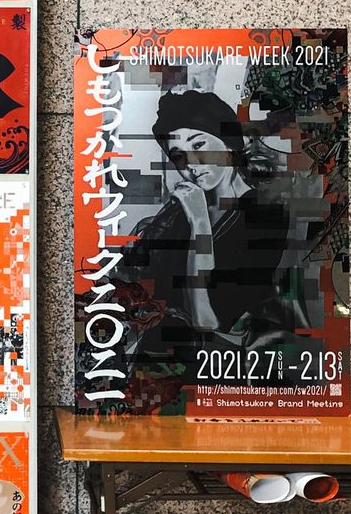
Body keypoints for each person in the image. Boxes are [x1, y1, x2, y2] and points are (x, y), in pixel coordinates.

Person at [121, 89, 292, 366]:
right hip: (155, 363)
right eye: (178, 155)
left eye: (199, 145)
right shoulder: (180, 211)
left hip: (213, 368)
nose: (192, 164)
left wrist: (200, 225)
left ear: (228, 141)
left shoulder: (265, 217)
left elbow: (207, 322)